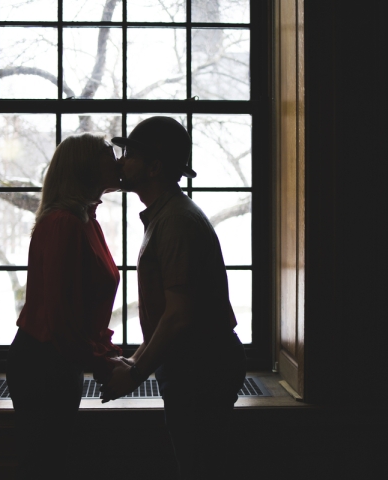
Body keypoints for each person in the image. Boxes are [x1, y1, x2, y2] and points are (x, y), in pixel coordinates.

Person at [101, 116, 247, 479]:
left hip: (200, 369)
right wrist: (134, 361)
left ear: (153, 167)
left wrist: (134, 372)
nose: (120, 162)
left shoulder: (176, 223)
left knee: (201, 468)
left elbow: (179, 316)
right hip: (194, 366)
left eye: (128, 155)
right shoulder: (168, 216)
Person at [5, 133, 125, 479]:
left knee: (51, 463)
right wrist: (103, 363)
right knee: (43, 465)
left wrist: (106, 353)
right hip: (43, 364)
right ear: (85, 167)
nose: (118, 161)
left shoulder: (86, 221)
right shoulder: (63, 224)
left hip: (59, 360)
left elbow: (82, 313)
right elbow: (59, 317)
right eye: (109, 154)